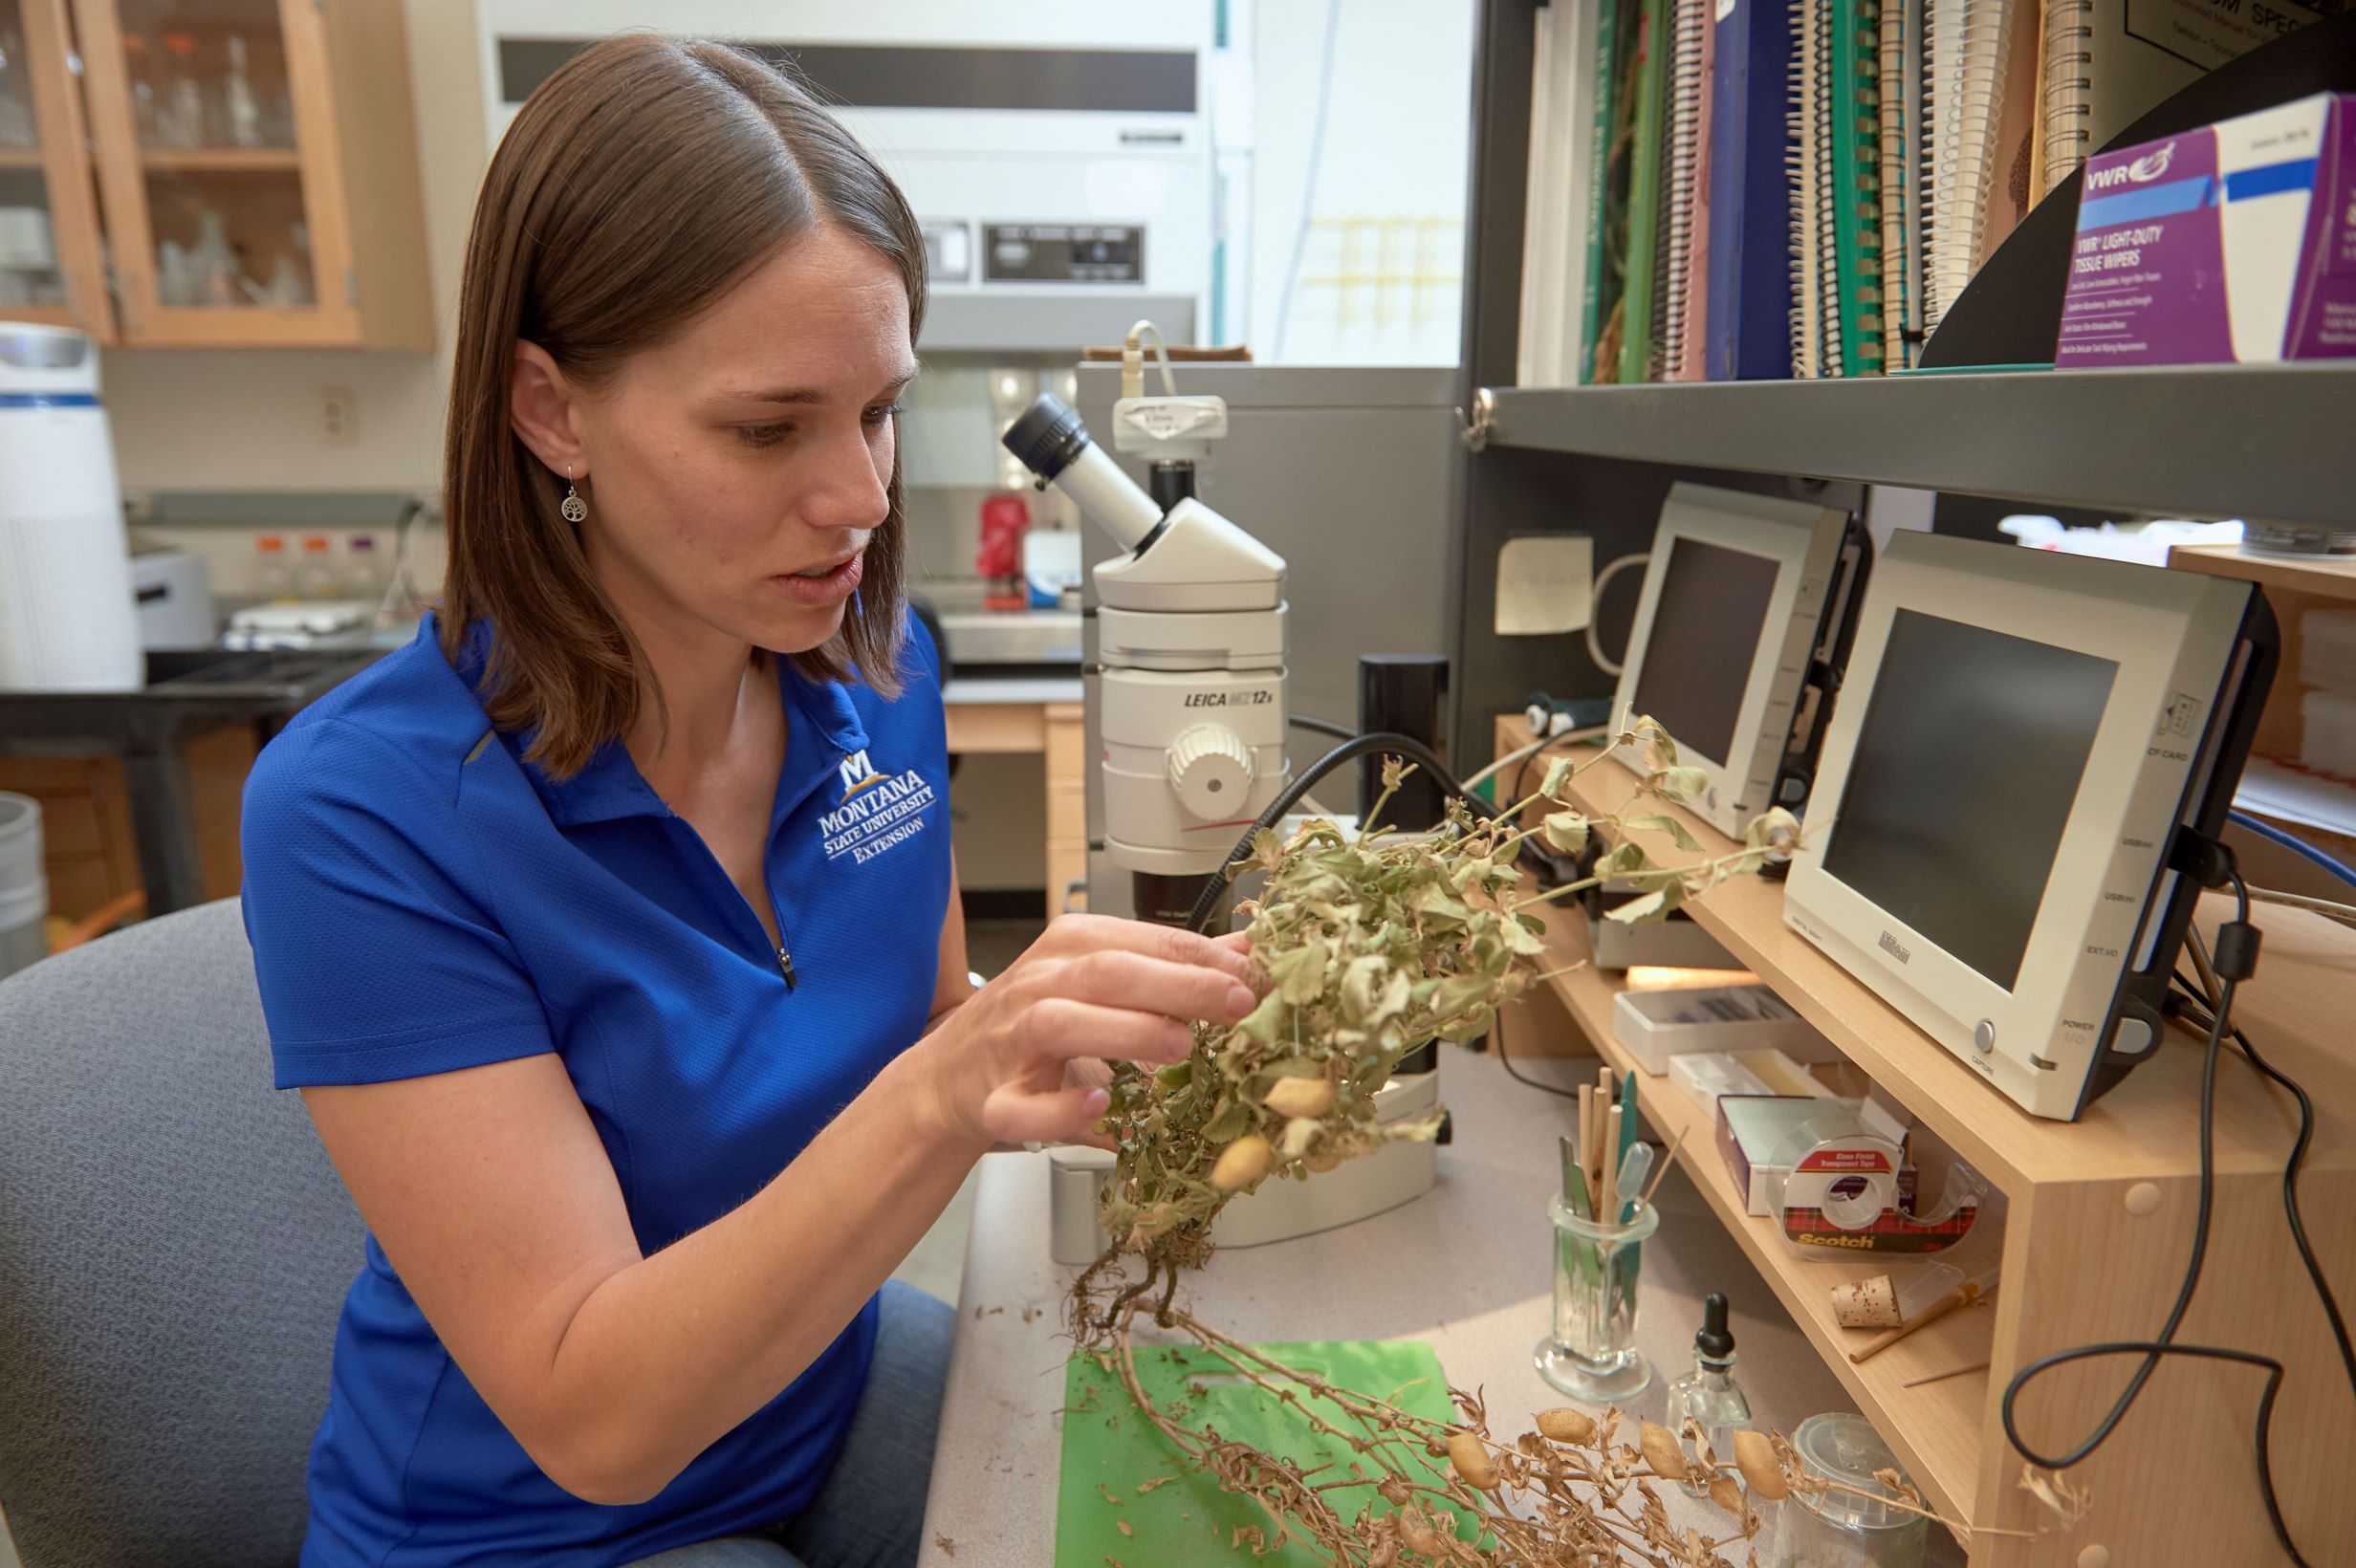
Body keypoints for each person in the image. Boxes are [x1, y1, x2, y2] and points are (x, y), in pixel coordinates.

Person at [238, 34, 1256, 1568]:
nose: (858, 496)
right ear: (550, 412)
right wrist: (957, 1079)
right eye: (769, 428)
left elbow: (912, 1039)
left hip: (809, 1412)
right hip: (535, 1531)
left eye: (881, 409)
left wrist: (1081, 1052)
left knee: (1215, 1484)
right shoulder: (363, 813)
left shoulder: (881, 673)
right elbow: (596, 1421)